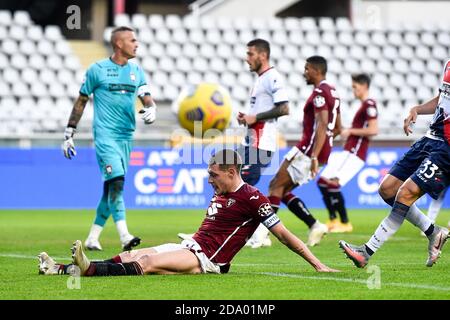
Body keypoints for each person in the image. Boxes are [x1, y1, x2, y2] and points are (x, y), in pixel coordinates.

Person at [38, 149, 339, 276]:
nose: (210, 179)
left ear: (232, 172)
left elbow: (285, 236)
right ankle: (62, 269)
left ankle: (88, 270)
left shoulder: (252, 198)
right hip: (191, 245)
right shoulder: (222, 191)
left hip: (207, 260)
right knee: (131, 255)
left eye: (214, 174)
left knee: (149, 262)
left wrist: (318, 265)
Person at [179, 39, 290, 249]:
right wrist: (248, 118)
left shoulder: (272, 77)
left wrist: (254, 117)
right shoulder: (260, 80)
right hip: (250, 143)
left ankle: (212, 235)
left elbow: (284, 108)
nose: (246, 58)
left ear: (262, 55)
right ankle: (255, 232)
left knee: (230, 186)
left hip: (261, 144)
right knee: (228, 185)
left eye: (250, 54)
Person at [339, 59, 450, 268]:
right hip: (429, 138)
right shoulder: (448, 64)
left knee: (405, 194)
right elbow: (442, 99)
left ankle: (366, 252)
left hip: (447, 147)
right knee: (387, 189)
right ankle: (434, 232)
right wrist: (417, 108)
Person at [61, 26, 157, 251]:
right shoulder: (97, 70)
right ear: (118, 44)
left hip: (126, 137)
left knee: (111, 188)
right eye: (132, 40)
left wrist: (152, 109)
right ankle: (125, 236)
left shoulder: (137, 71)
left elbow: (147, 98)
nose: (136, 44)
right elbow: (82, 100)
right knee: (117, 182)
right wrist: (69, 132)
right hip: (105, 136)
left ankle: (93, 237)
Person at [267, 56, 342, 247]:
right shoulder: (333, 92)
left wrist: (315, 155)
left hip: (308, 150)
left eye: (307, 69)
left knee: (275, 185)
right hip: (320, 150)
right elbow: (338, 127)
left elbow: (323, 123)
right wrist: (325, 147)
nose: (304, 72)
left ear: (316, 70)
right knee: (281, 190)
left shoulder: (318, 92)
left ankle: (260, 234)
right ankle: (314, 225)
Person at [318, 73, 378, 233]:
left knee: (333, 184)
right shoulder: (362, 106)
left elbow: (373, 130)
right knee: (322, 182)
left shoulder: (370, 104)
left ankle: (344, 223)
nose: (353, 90)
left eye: (355, 87)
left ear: (364, 85)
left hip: (355, 152)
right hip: (348, 150)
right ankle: (333, 219)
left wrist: (350, 130)